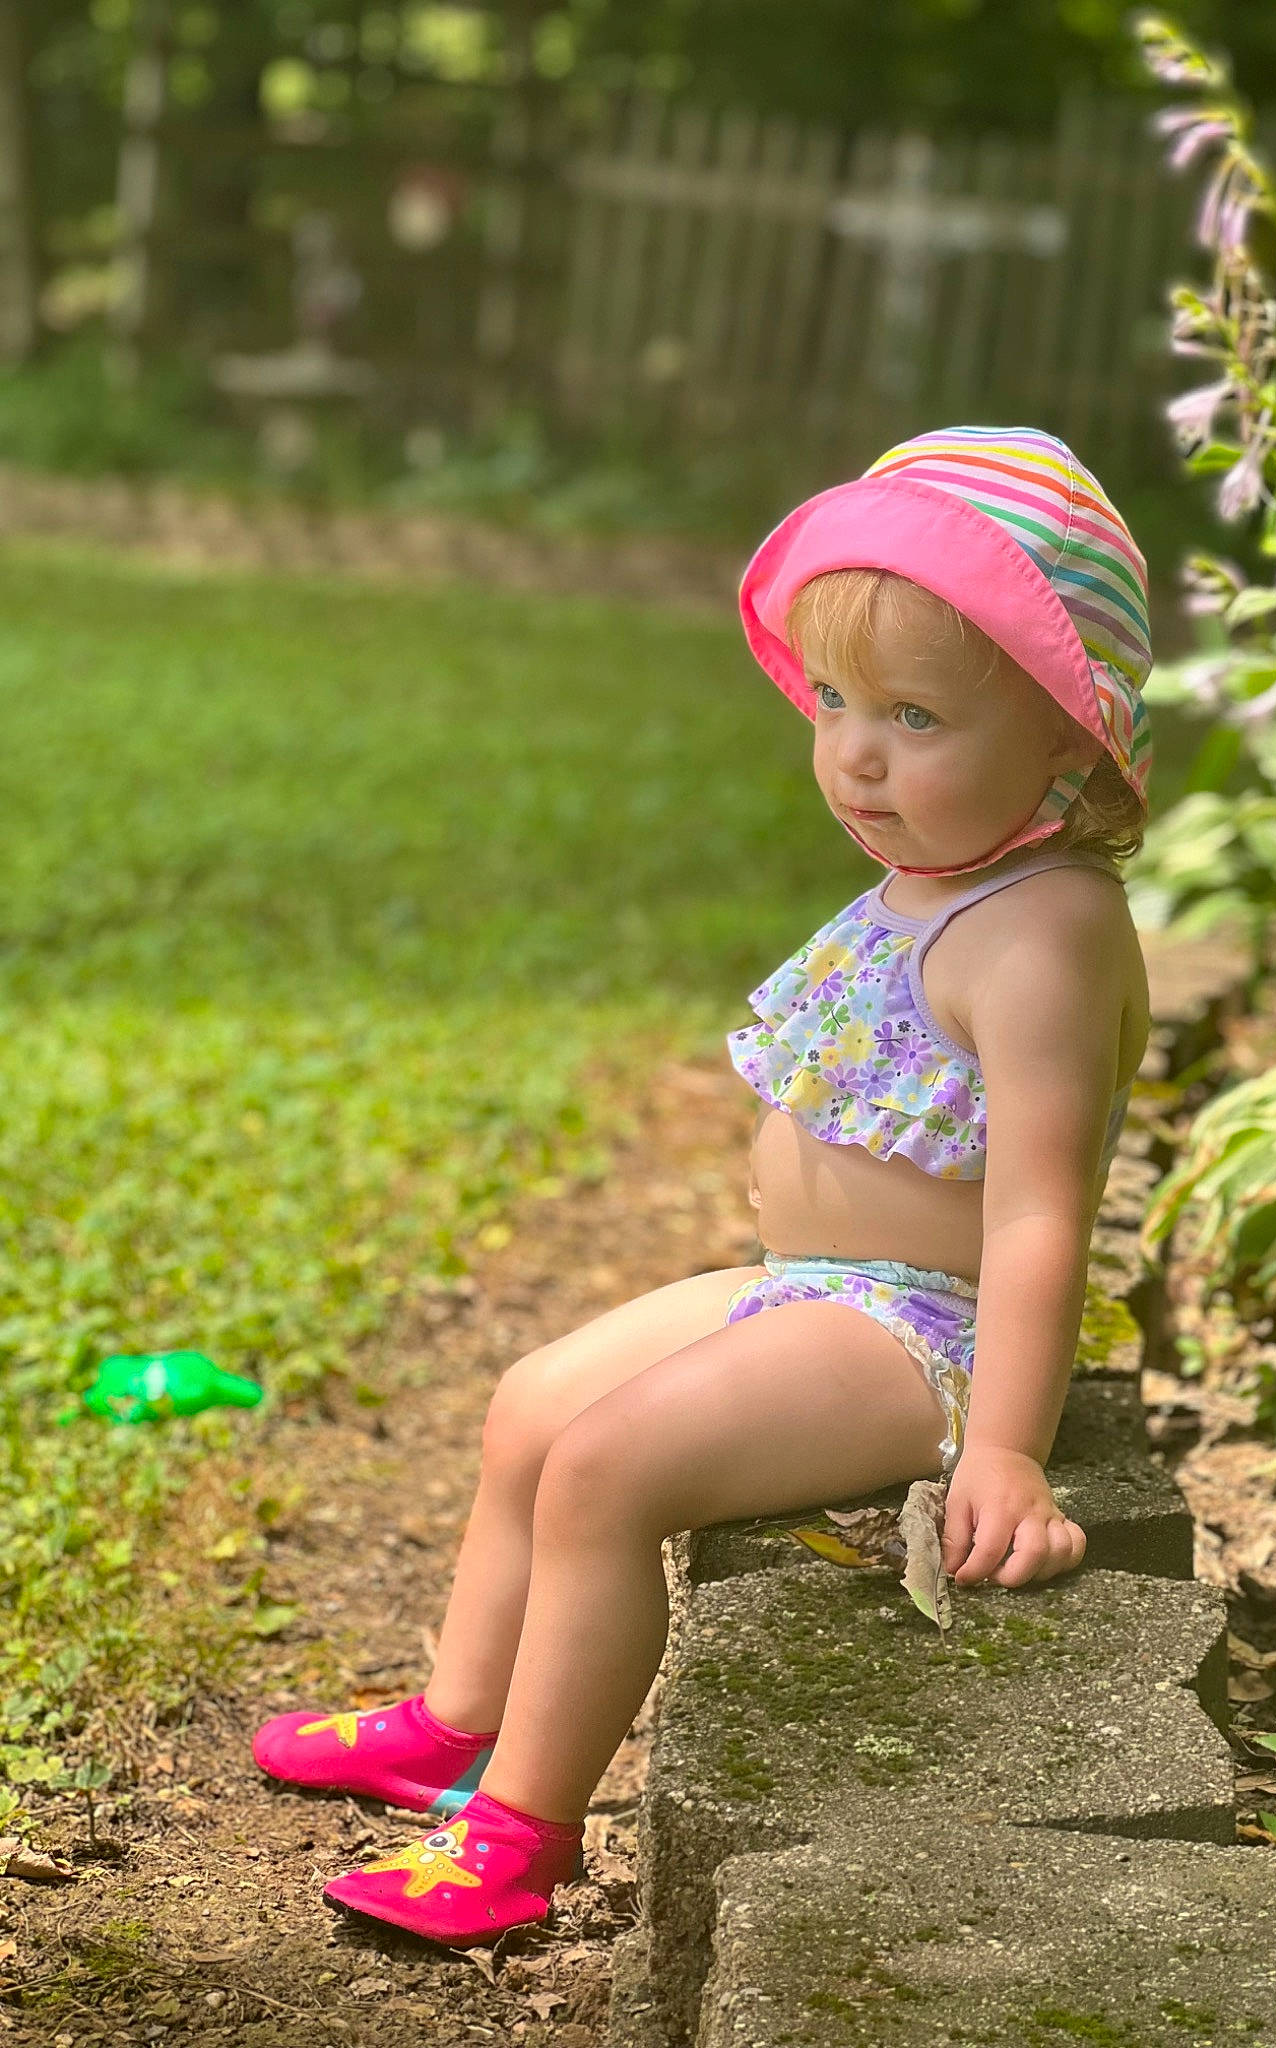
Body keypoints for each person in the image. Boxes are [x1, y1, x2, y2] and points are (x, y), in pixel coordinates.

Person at [250, 424, 1155, 1946]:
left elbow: (1040, 1212)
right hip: (807, 1293)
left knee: (612, 1468)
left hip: (922, 1335)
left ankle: (521, 1838)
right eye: (835, 702)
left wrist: (1005, 1449)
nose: (856, 755)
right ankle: (459, 1716)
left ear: (1067, 735)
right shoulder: (936, 875)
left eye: (917, 715)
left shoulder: (1044, 932)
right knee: (536, 1403)